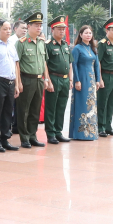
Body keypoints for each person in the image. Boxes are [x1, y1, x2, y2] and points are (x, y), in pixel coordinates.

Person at [15, 12, 52, 148]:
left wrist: (46, 79)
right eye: (36, 25)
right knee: (24, 109)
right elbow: (16, 64)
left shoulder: (42, 42)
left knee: (35, 110)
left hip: (39, 80)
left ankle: (32, 135)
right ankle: (24, 137)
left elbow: (44, 62)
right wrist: (18, 82)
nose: (39, 28)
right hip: (26, 79)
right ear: (29, 26)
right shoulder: (21, 43)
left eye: (40, 25)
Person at [0, 20, 19, 152]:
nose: (8, 31)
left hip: (11, 82)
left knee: (7, 112)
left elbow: (15, 65)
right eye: (5, 28)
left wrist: (17, 84)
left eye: (9, 28)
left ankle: (5, 139)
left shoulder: (11, 45)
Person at [69, 25, 101, 141]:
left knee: (91, 106)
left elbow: (96, 65)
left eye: (90, 33)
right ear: (81, 35)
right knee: (82, 105)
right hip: (81, 79)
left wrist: (98, 80)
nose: (88, 35)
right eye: (86, 33)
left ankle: (91, 132)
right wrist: (76, 80)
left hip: (91, 81)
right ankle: (80, 133)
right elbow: (74, 65)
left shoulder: (93, 48)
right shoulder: (77, 48)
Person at [44, 16, 72, 144]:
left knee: (61, 106)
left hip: (65, 80)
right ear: (52, 29)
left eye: (63, 29)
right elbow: (45, 64)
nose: (62, 31)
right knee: (51, 107)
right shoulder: (48, 45)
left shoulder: (66, 45)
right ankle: (50, 133)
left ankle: (58, 131)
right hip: (54, 78)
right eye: (59, 29)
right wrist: (48, 80)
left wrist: (71, 79)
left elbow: (70, 63)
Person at [97, 17, 113, 136]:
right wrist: (100, 79)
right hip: (105, 76)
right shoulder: (102, 44)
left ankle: (108, 126)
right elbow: (98, 62)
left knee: (111, 103)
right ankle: (100, 126)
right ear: (107, 31)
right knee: (103, 103)